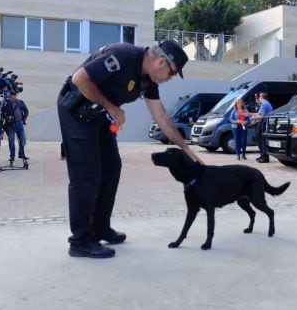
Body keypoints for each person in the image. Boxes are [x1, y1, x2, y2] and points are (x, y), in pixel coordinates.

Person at [57, 40, 202, 259]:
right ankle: (80, 241)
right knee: (86, 175)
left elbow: (161, 116)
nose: (169, 79)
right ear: (161, 62)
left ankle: (100, 227)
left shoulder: (148, 80)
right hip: (76, 110)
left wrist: (186, 149)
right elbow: (80, 79)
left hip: (100, 114)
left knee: (112, 168)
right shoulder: (122, 56)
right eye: (171, 74)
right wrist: (112, 107)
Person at [2, 92, 29, 161]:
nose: (14, 96)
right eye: (12, 95)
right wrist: (7, 118)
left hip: (19, 123)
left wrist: (23, 119)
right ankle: (12, 156)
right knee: (11, 141)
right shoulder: (6, 103)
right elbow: (2, 113)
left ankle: (21, 154)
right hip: (10, 124)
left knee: (23, 140)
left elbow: (26, 111)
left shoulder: (20, 102)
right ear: (9, 96)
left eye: (15, 95)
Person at [251, 92, 273, 163]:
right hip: (261, 123)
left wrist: (253, 117)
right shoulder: (265, 104)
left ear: (261, 97)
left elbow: (262, 116)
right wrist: (251, 114)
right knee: (261, 140)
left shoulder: (264, 104)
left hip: (262, 123)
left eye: (259, 97)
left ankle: (265, 157)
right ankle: (262, 155)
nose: (258, 98)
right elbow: (260, 114)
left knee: (262, 141)